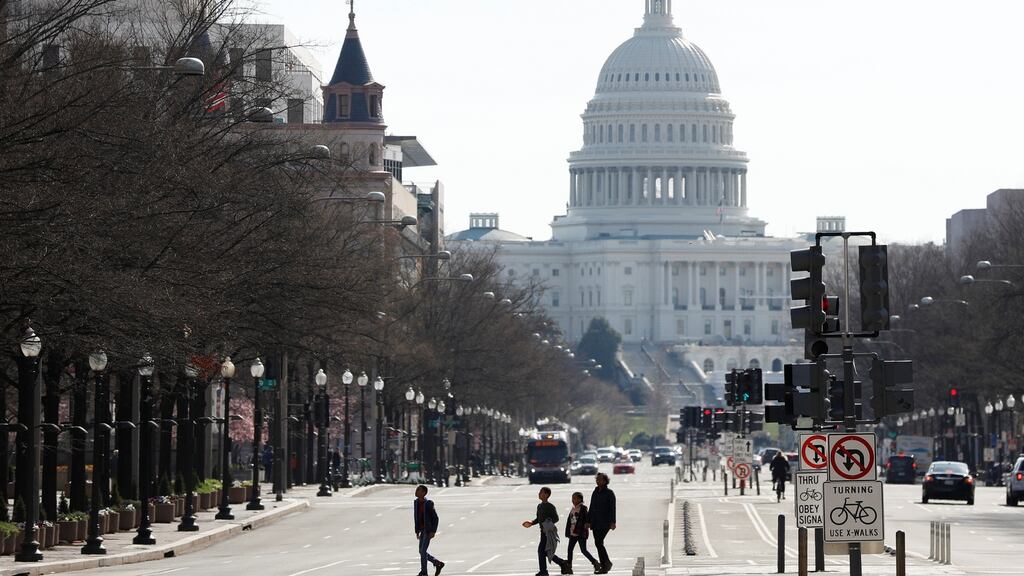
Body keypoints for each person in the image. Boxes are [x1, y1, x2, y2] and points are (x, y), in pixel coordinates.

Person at [522, 486, 569, 576]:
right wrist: (531, 522)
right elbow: (538, 519)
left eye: (541, 492)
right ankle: (562, 563)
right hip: (542, 532)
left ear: (547, 495)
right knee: (546, 551)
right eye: (539, 492)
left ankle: (544, 571)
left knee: (541, 551)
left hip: (548, 532)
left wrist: (547, 525)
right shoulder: (540, 506)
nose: (539, 494)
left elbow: (556, 518)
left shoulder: (550, 506)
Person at [586, 473, 616, 574]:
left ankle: (605, 564)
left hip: (605, 522)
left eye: (600, 479)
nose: (598, 481)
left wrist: (613, 522)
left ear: (605, 481)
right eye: (597, 479)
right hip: (595, 522)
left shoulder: (609, 493)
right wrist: (588, 521)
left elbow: (612, 508)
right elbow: (591, 507)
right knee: (598, 543)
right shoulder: (595, 492)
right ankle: (606, 563)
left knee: (599, 542)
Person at [565, 491, 600, 574]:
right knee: (570, 550)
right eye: (572, 498)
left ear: (580, 499)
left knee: (583, 550)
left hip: (580, 533)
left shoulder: (583, 508)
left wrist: (587, 524)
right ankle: (569, 567)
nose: (573, 500)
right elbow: (569, 521)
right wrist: (568, 531)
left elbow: (587, 518)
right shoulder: (573, 509)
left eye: (574, 498)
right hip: (573, 533)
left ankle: (595, 563)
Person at [413, 485, 445, 576]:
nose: (416, 491)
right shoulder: (416, 502)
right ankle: (437, 563)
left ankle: (424, 572)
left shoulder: (428, 503)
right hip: (421, 530)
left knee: (423, 552)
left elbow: (435, 518)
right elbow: (416, 517)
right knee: (421, 551)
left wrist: (433, 531)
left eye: (418, 490)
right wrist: (417, 530)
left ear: (424, 493)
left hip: (427, 530)